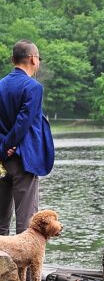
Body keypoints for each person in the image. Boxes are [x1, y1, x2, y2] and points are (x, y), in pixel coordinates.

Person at [0, 39, 55, 235]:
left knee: (0, 222)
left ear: (13, 59)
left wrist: (2, 149)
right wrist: (9, 145)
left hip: (1, 160)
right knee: (26, 223)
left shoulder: (0, 85)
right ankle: (26, 266)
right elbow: (23, 122)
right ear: (32, 59)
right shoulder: (33, 87)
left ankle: (2, 263)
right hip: (23, 159)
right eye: (38, 58)